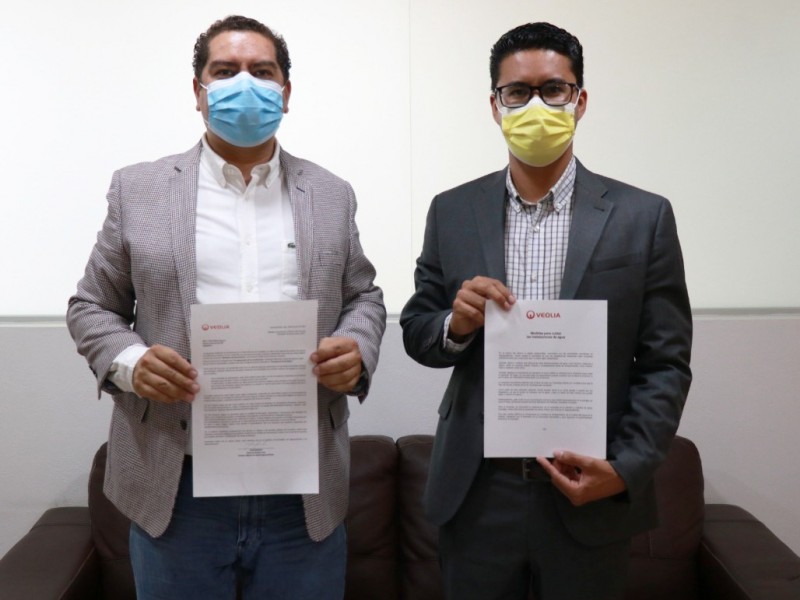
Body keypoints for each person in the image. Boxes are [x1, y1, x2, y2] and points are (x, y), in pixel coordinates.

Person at [67, 15, 386, 599]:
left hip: (301, 490)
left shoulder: (331, 193)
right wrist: (132, 364)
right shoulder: (138, 189)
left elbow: (363, 295)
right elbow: (92, 306)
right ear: (199, 91)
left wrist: (358, 349)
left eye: (262, 72)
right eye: (225, 71)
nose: (245, 83)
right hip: (177, 486)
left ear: (285, 92)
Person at [400, 22, 692, 600]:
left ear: (579, 101)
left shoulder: (643, 216)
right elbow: (417, 330)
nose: (536, 105)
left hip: (589, 485)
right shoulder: (452, 211)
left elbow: (666, 363)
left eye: (554, 89)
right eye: (517, 92)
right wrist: (456, 325)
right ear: (495, 106)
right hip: (479, 492)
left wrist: (626, 467)